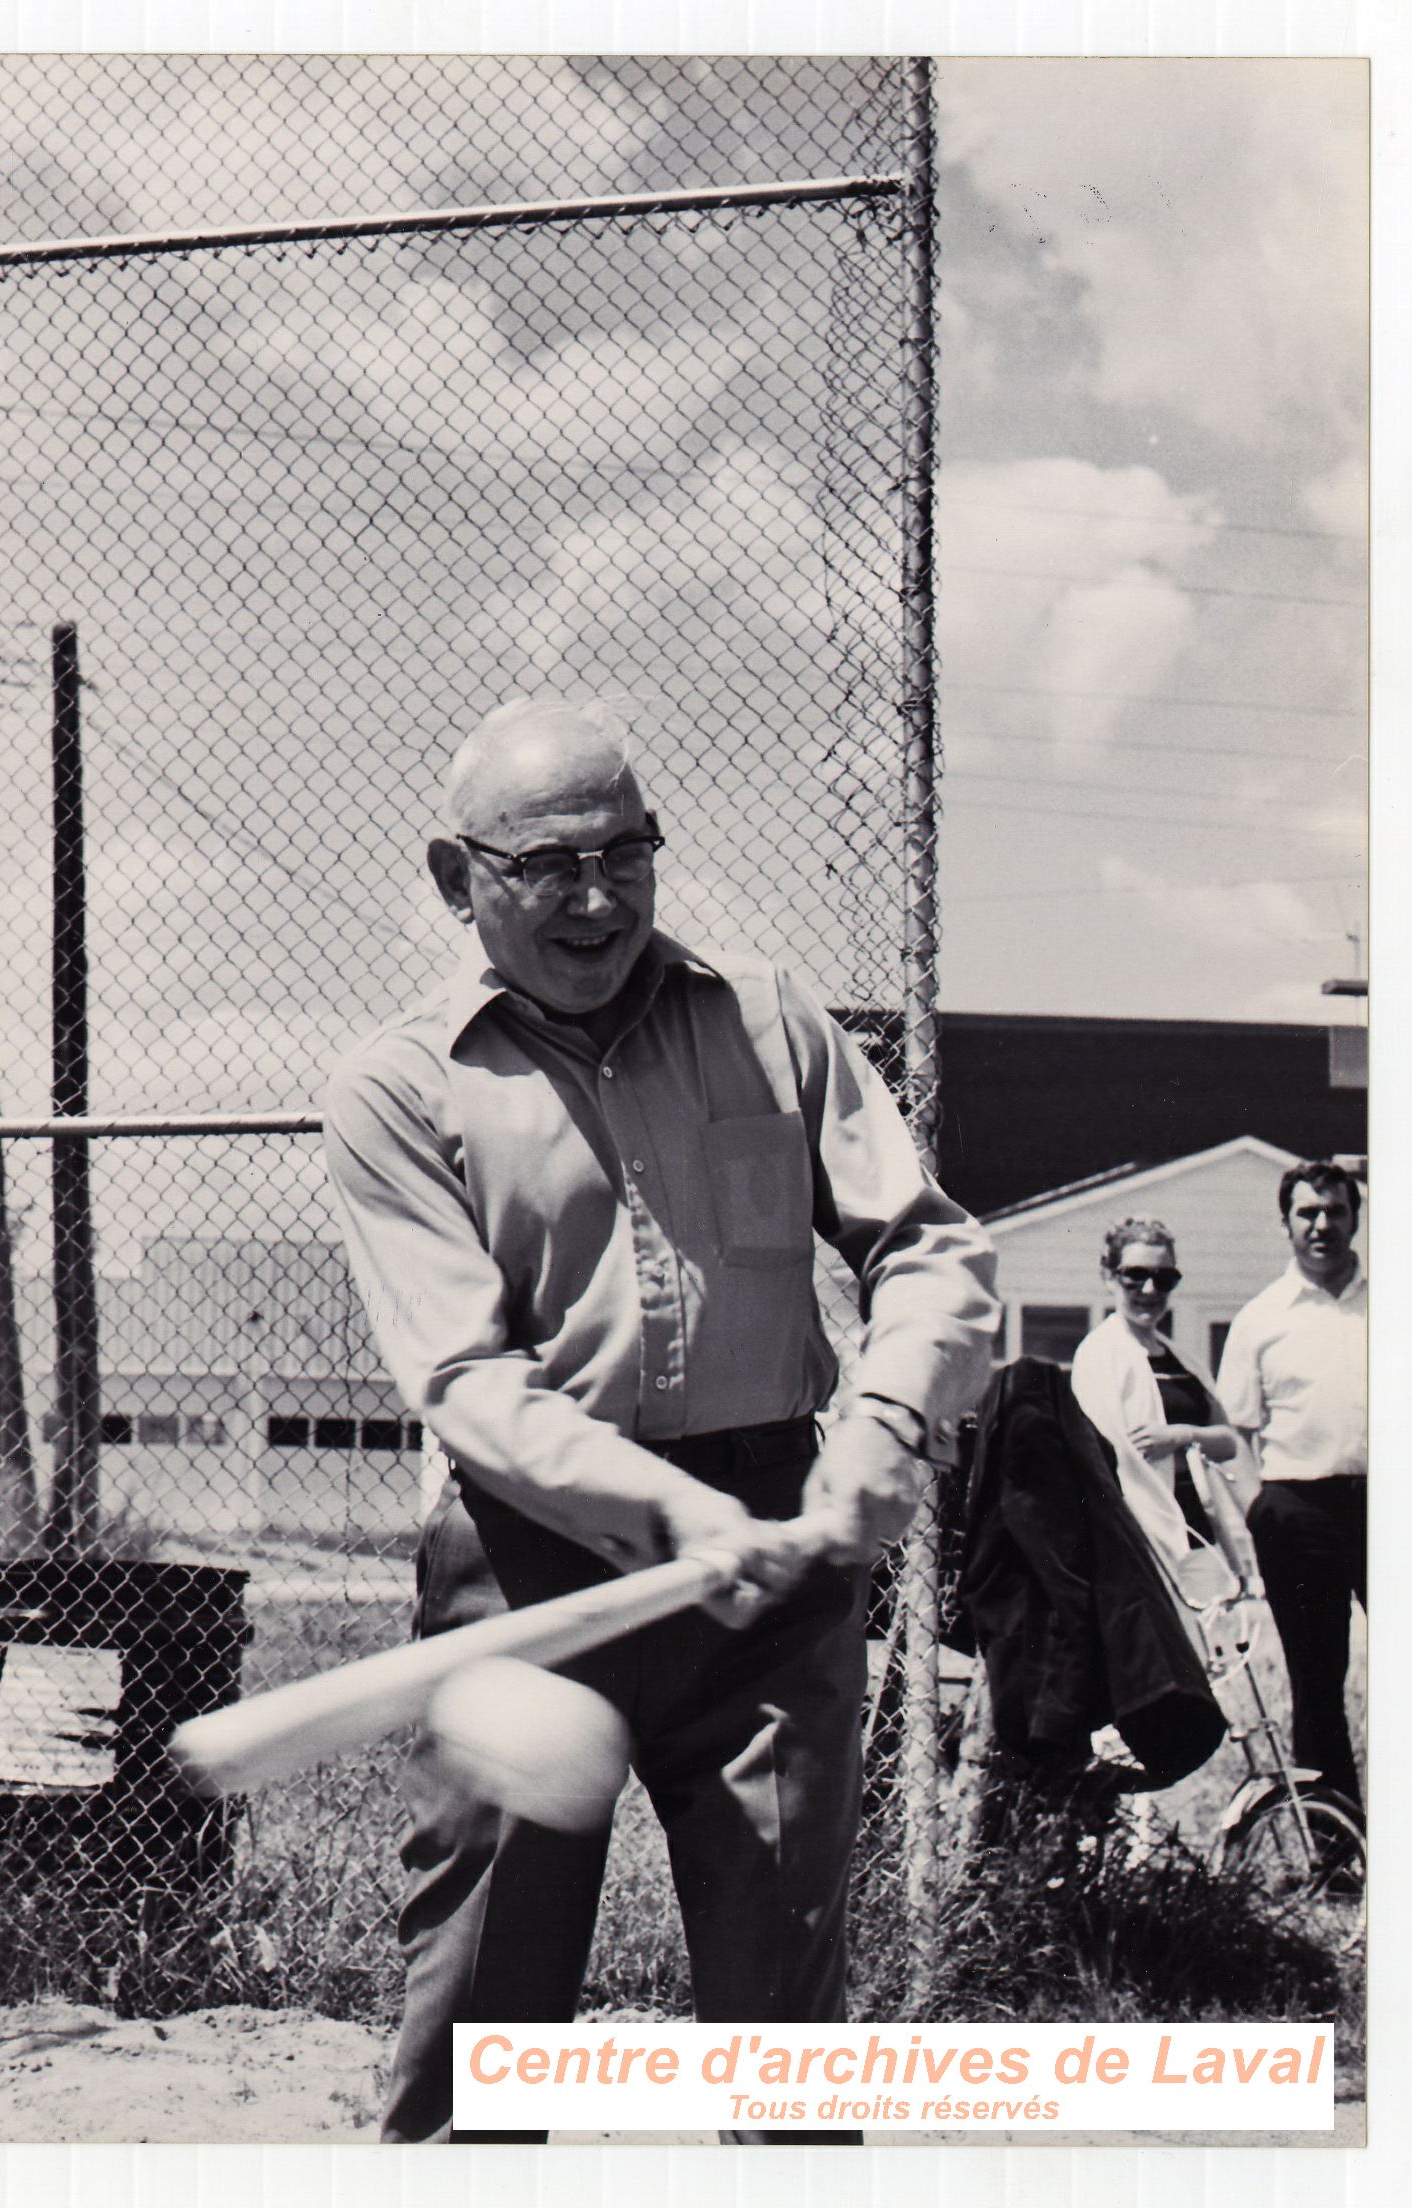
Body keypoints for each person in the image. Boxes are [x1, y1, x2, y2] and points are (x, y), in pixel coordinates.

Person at [322, 696, 1000, 2143]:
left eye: (627, 851)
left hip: (772, 1565)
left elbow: (929, 1249)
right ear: (456, 880)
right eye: (549, 863)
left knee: (784, 2033)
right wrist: (666, 1508)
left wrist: (886, 1418)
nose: (597, 896)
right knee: (481, 2029)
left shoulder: (766, 1022)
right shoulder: (397, 1087)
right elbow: (465, 1383)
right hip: (528, 1573)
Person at [1216, 1161, 1367, 1810]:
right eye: (1307, 1212)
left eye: (1334, 1210)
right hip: (1297, 1509)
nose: (1322, 1224)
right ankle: (1338, 1851)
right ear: (1285, 1225)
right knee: (1316, 1683)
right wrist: (1259, 1507)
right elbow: (1230, 1435)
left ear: (1354, 1218)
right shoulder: (1261, 1318)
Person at [1070, 1218, 1253, 1594]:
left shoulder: (1182, 1359)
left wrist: (1180, 1436)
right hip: (1138, 1540)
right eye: (1135, 1275)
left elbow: (1228, 1440)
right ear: (1109, 1276)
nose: (1150, 1290)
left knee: (1213, 1647)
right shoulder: (1101, 1354)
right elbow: (1100, 1463)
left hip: (1199, 1538)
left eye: (1164, 1278)